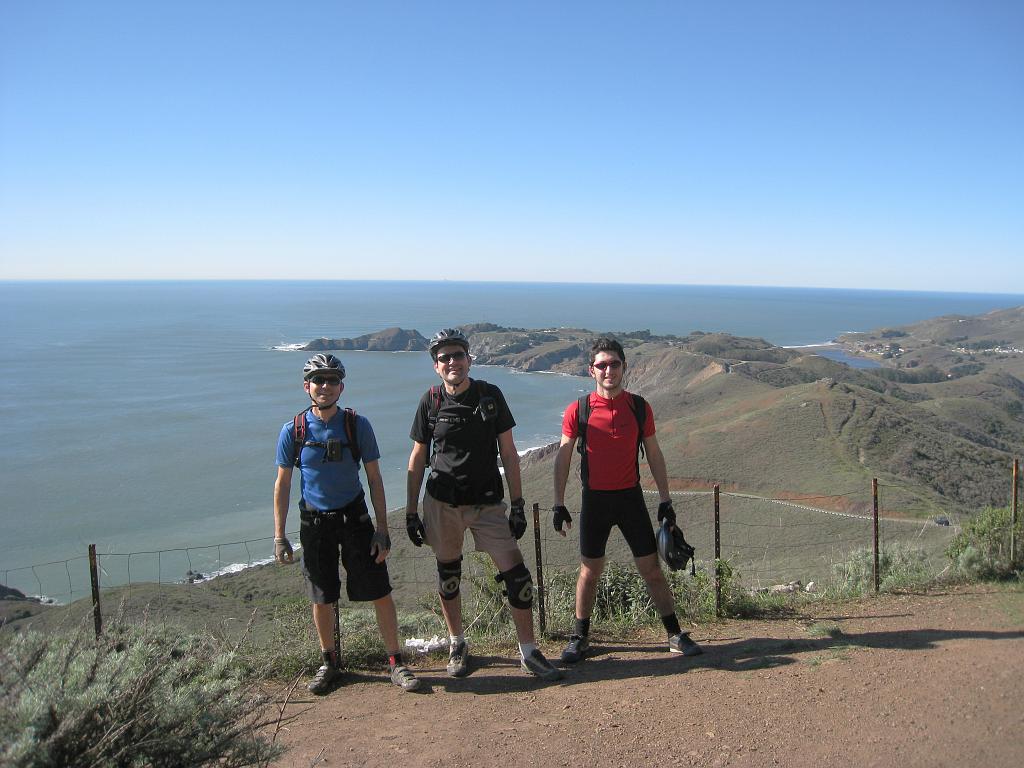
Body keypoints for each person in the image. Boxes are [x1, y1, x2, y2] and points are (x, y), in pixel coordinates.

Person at [405, 329, 562, 681]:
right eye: (444, 357)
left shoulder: (490, 396)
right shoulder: (430, 402)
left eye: (457, 355)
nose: (451, 362)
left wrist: (518, 504)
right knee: (449, 575)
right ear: (436, 366)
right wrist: (411, 511)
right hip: (442, 503)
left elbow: (508, 452)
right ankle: (457, 643)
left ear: (468, 359)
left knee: (517, 576)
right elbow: (418, 459)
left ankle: (529, 652)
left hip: (488, 504)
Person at [274, 353, 421, 694]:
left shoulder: (357, 425)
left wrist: (382, 530)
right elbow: (282, 485)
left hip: (354, 519)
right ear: (306, 385)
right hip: (314, 523)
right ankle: (329, 662)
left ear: (342, 386)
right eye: (318, 380)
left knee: (380, 591)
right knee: (321, 596)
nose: (325, 386)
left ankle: (395, 662)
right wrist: (279, 536)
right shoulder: (292, 431)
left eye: (332, 380)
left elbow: (375, 479)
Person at [552, 337, 703, 663]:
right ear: (591, 370)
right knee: (589, 572)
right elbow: (563, 458)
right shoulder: (578, 410)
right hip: (595, 501)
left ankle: (675, 634)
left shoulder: (638, 407)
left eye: (614, 364)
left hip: (630, 498)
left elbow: (655, 454)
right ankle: (579, 638)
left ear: (624, 367)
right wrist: (558, 502)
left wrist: (666, 499)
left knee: (651, 569)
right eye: (602, 365)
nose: (609, 370)